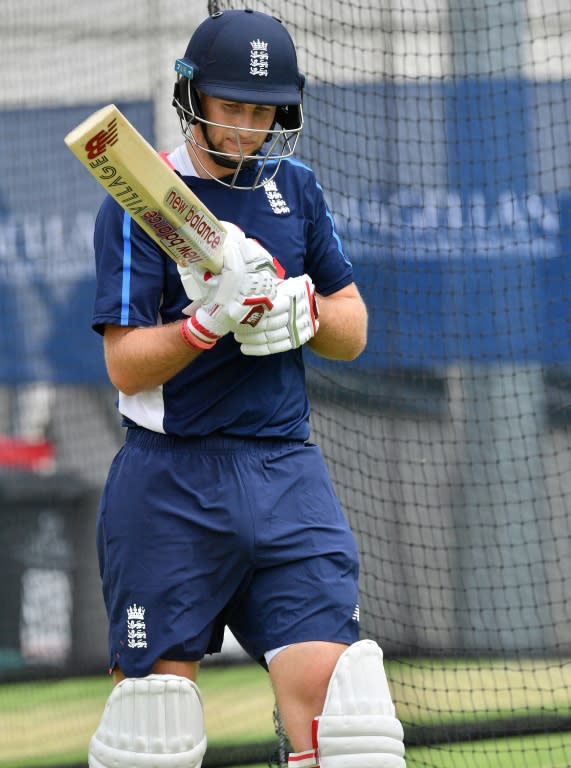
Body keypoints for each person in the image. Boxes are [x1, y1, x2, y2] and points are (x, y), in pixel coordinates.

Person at [88, 9, 406, 768]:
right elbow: (126, 364)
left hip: (283, 472)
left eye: (262, 111)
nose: (245, 129)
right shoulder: (144, 199)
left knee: (349, 725)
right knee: (151, 729)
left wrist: (304, 309)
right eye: (232, 107)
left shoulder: (292, 188)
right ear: (191, 97)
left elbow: (352, 330)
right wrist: (207, 323)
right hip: (171, 480)